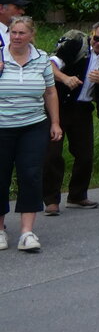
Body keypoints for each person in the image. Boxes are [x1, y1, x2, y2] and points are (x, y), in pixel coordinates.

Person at [43, 20, 99, 213]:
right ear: (91, 33)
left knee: (85, 155)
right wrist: (65, 78)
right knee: (53, 154)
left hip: (83, 109)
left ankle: (77, 196)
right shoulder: (76, 45)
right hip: (59, 105)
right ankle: (51, 200)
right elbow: (50, 65)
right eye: (97, 38)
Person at [0, 16, 62, 252]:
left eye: (21, 33)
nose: (16, 37)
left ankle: (27, 232)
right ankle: (0, 230)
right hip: (1, 126)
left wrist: (55, 123)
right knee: (0, 177)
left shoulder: (41, 58)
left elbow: (50, 92)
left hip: (33, 125)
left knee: (31, 175)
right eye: (13, 32)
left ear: (31, 35)